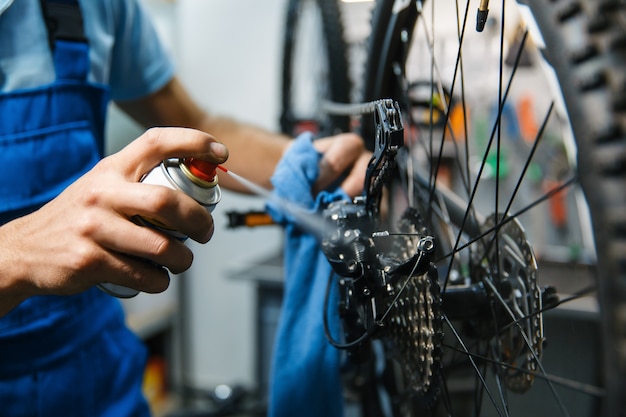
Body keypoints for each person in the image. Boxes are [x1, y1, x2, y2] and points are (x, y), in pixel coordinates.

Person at [0, 0, 368, 416]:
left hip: (97, 372)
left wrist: (309, 163)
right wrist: (15, 255)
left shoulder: (96, 8)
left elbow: (198, 125)